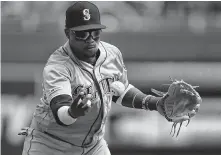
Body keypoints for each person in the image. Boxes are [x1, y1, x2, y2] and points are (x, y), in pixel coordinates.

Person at [19, 1, 198, 155]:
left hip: (92, 146)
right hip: (50, 144)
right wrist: (73, 112)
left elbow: (120, 90)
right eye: (81, 33)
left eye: (94, 32)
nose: (90, 39)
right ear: (68, 33)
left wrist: (154, 103)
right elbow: (61, 113)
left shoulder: (111, 54)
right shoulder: (58, 66)